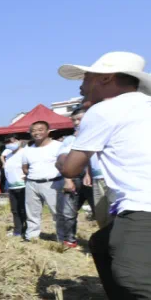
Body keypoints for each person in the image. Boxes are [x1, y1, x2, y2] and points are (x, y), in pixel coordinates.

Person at [57, 52, 151, 300]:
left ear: (107, 78)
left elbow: (71, 169)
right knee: (100, 243)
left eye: (86, 77)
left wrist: (61, 158)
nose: (81, 84)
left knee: (132, 275)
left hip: (144, 203)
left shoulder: (105, 110)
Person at [56, 106, 95, 249]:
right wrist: (68, 179)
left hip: (95, 179)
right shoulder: (70, 140)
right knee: (69, 213)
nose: (77, 123)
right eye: (74, 120)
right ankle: (69, 240)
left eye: (80, 119)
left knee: (100, 213)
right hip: (75, 178)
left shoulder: (99, 134)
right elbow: (61, 161)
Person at [21, 121, 64, 242]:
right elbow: (25, 167)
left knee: (58, 212)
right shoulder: (28, 148)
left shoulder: (58, 146)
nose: (36, 133)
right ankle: (32, 237)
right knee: (32, 212)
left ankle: (62, 238)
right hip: (32, 183)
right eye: (33, 130)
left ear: (48, 132)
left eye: (40, 130)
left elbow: (64, 164)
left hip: (53, 183)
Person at [2, 140, 28, 237]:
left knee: (23, 209)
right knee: (15, 210)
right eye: (7, 142)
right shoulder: (8, 155)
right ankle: (17, 230)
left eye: (12, 141)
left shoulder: (24, 152)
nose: (9, 143)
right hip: (12, 186)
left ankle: (26, 229)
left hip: (23, 185)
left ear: (20, 141)